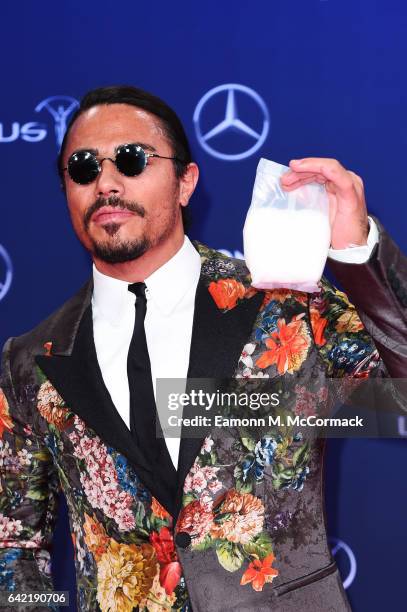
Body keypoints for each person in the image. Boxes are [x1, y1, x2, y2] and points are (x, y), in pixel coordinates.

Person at [0, 85, 405, 612]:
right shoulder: (27, 362)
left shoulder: (284, 307)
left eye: (130, 159)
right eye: (83, 167)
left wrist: (355, 252)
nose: (106, 182)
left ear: (185, 182)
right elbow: (14, 544)